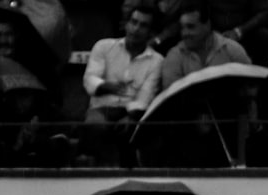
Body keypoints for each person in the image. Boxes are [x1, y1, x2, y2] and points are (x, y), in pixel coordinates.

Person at [78, 3, 163, 167]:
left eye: (143, 25)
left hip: (131, 111)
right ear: (127, 23)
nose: (136, 29)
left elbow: (145, 97)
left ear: (151, 32)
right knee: (95, 125)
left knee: (132, 129)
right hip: (100, 108)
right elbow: (89, 80)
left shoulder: (157, 61)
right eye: (134, 22)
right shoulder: (104, 46)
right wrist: (107, 86)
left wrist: (131, 116)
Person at [160, 0, 252, 91]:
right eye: (182, 27)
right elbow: (172, 100)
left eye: (191, 27)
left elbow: (250, 87)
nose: (184, 33)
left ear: (207, 25)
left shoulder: (232, 49)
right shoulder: (174, 57)